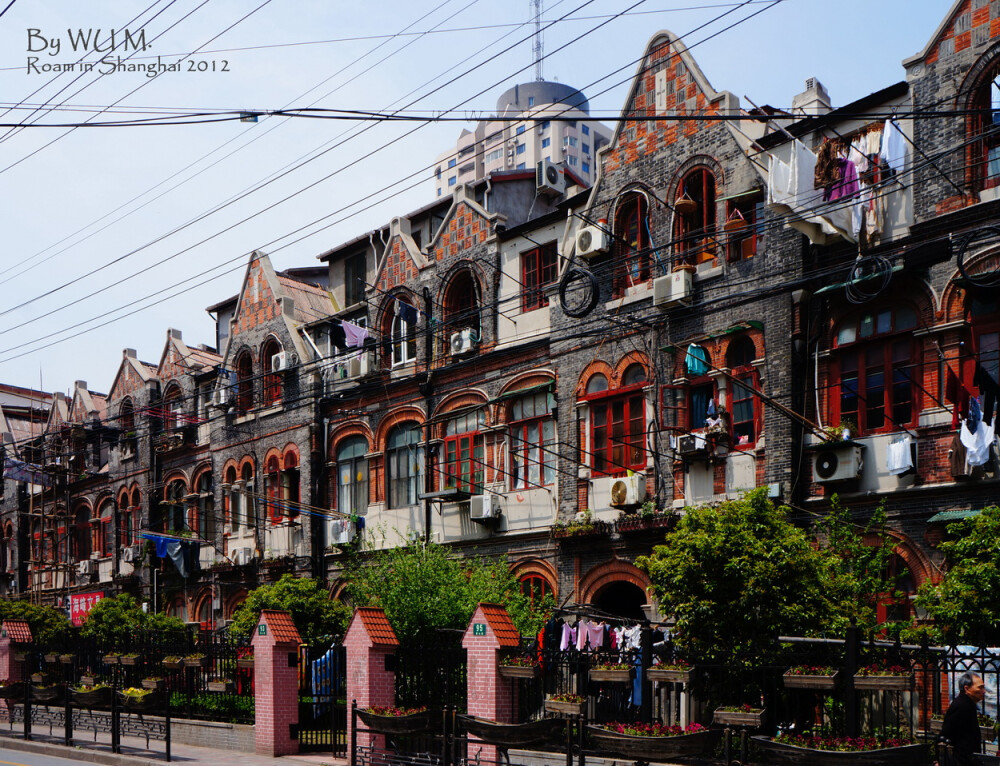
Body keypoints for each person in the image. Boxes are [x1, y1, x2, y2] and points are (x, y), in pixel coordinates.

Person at [941, 670, 985, 766]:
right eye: (980, 688)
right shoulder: (961, 706)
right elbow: (947, 733)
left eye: (983, 687)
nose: (983, 691)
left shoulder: (968, 704)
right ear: (967, 688)